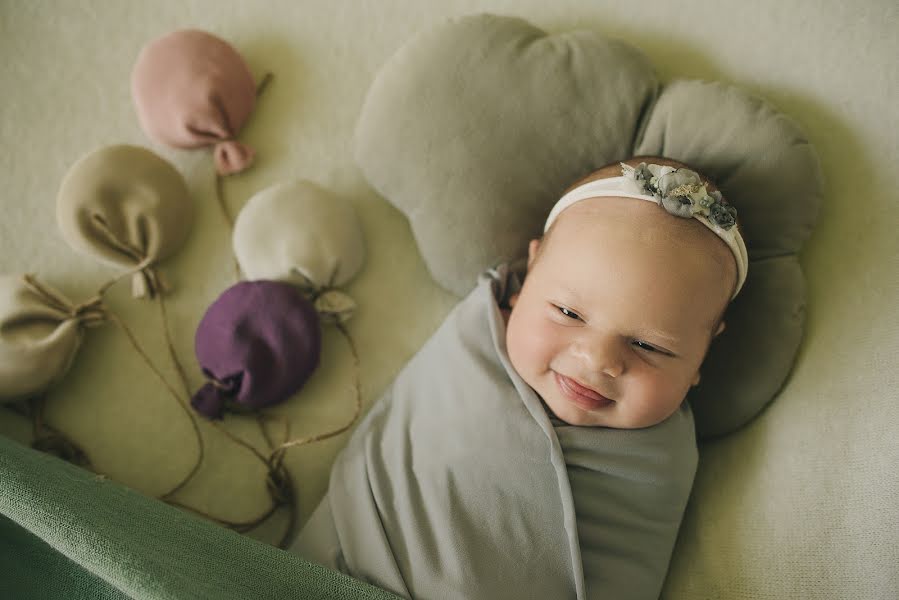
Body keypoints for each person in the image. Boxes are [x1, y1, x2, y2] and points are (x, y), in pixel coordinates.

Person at [290, 156, 748, 600]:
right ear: (530, 272)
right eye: (568, 313)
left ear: (703, 355)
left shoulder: (660, 461)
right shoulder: (477, 339)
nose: (596, 359)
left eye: (649, 346)